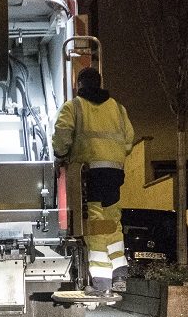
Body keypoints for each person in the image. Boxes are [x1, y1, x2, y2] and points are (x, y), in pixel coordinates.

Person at [52, 66, 136, 295]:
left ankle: (101, 283)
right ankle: (120, 273)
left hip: (90, 173)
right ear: (99, 83)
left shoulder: (74, 107)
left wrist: (61, 155)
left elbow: (62, 136)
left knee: (96, 225)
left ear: (79, 85)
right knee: (113, 221)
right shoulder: (117, 108)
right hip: (114, 173)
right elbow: (129, 140)